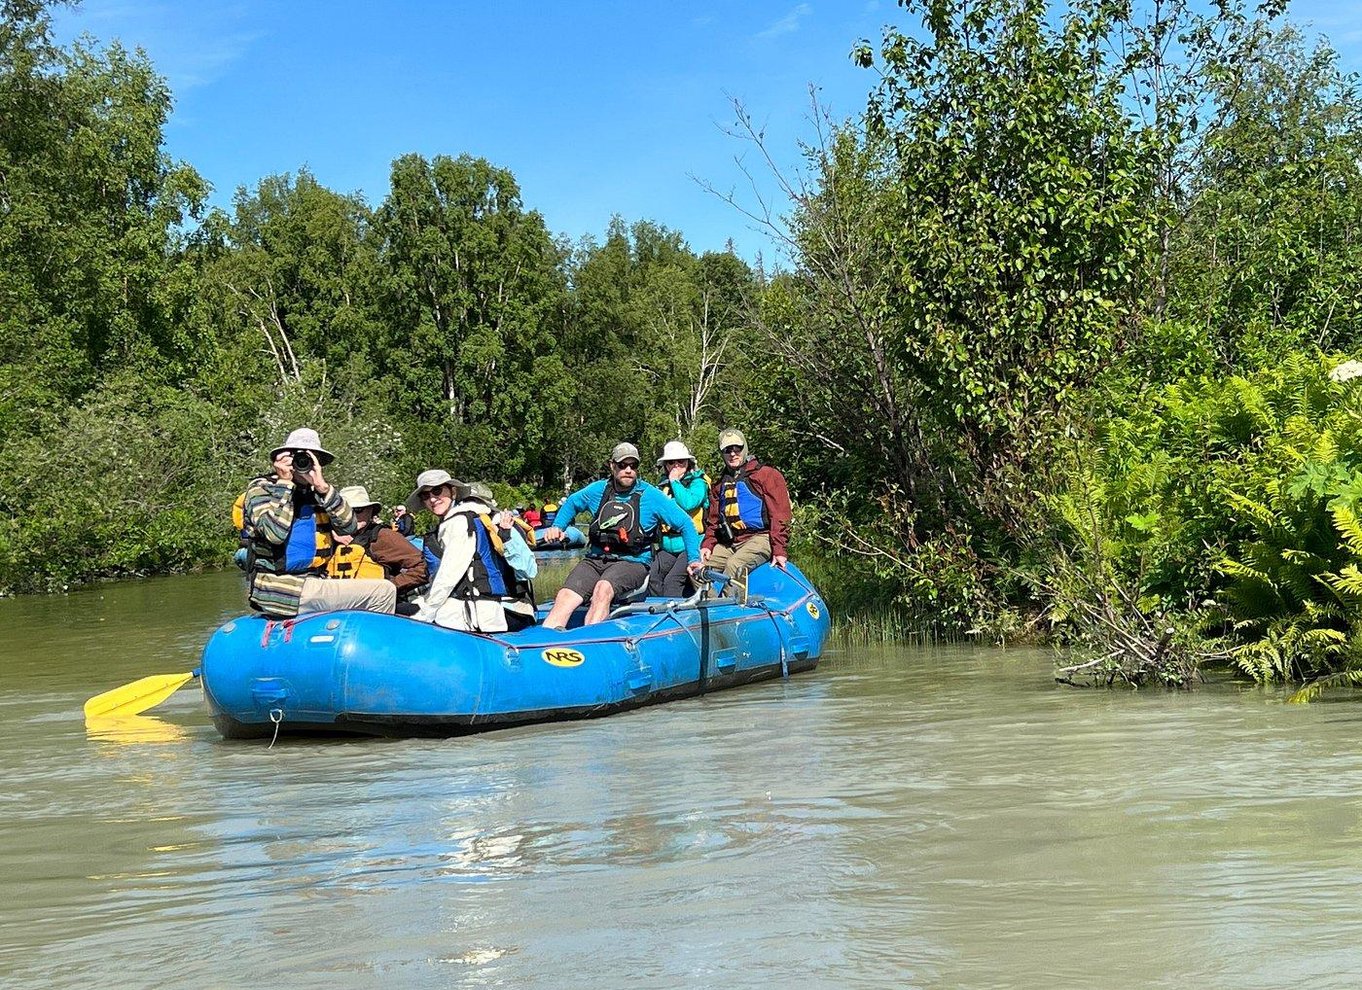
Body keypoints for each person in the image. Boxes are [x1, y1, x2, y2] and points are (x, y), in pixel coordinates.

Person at [540, 442, 702, 629]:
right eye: (622, 465)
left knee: (602, 589)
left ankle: (593, 643)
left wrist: (693, 559)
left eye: (633, 466)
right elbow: (572, 503)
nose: (628, 470)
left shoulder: (651, 495)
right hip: (596, 559)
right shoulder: (598, 490)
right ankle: (544, 647)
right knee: (565, 596)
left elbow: (686, 524)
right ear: (612, 466)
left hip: (633, 562)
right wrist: (558, 526)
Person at [241, 427, 397, 618]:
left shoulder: (317, 492)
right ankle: (375, 648)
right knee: (384, 591)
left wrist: (323, 488)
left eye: (310, 458)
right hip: (279, 588)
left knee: (381, 588)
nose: (302, 463)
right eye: (297, 457)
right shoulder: (262, 489)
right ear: (282, 459)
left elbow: (350, 526)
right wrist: (285, 484)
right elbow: (274, 534)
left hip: (314, 581)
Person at [409, 472, 538, 632]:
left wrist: (425, 615)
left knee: (410, 613)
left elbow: (449, 575)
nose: (432, 499)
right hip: (520, 611)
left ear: (453, 491)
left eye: (437, 491)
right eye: (425, 495)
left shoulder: (459, 522)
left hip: (492, 616)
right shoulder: (486, 517)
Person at [700, 428, 792, 601]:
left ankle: (729, 612)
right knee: (697, 566)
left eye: (737, 448)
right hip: (732, 541)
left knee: (734, 565)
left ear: (745, 448)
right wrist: (707, 544)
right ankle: (713, 608)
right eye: (728, 450)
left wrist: (779, 550)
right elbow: (713, 521)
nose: (733, 453)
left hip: (761, 538)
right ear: (722, 453)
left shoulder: (766, 475)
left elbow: (780, 516)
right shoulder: (720, 484)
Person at [328, 486, 428, 605]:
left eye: (358, 510)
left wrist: (388, 587)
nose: (353, 516)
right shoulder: (330, 537)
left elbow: (422, 568)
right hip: (335, 609)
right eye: (348, 511)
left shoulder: (383, 536)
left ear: (371, 511)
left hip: (373, 610)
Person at [648, 440, 710, 598]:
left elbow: (688, 503)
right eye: (670, 462)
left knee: (672, 581)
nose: (676, 465)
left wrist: (675, 481)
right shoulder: (662, 486)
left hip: (691, 545)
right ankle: (654, 615)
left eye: (681, 462)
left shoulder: (698, 483)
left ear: (688, 463)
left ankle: (676, 618)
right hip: (668, 547)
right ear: (665, 465)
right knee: (653, 575)